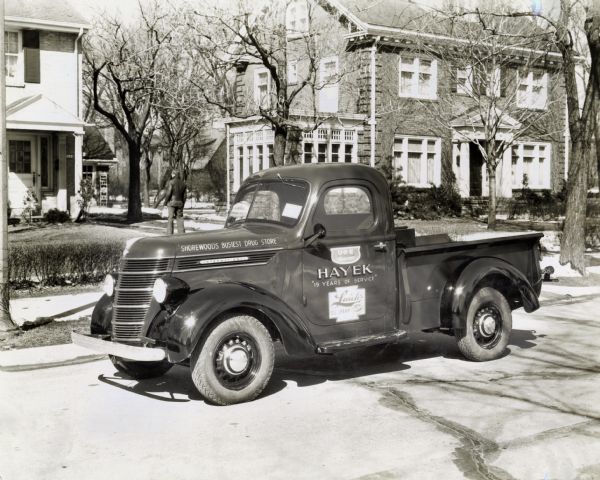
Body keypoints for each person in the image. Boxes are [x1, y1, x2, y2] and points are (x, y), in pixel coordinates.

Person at [155, 168, 187, 235]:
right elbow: (185, 196)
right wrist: (183, 203)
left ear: (174, 174)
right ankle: (182, 234)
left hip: (171, 202)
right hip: (180, 203)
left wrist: (165, 202)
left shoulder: (171, 182)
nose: (171, 175)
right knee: (180, 218)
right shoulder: (183, 183)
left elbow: (168, 193)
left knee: (170, 218)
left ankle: (169, 234)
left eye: (172, 173)